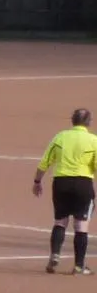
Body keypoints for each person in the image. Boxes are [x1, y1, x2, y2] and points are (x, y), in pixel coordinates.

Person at [33, 107, 97, 274]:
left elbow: (44, 162)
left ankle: (55, 254)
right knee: (81, 225)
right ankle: (79, 266)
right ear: (89, 122)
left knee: (60, 222)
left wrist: (37, 181)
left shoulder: (60, 137)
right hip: (83, 183)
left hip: (61, 183)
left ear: (72, 120)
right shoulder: (93, 140)